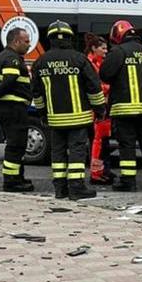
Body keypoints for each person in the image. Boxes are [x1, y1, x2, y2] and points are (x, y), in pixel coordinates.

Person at [31, 21, 105, 200]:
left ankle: (60, 188)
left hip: (55, 119)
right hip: (79, 118)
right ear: (70, 38)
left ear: (50, 39)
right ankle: (76, 188)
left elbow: (37, 93)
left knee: (58, 153)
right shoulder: (79, 59)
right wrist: (100, 110)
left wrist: (42, 114)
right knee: (77, 152)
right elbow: (94, 87)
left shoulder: (41, 62)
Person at [99, 20, 142, 192]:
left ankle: (128, 181)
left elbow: (105, 74)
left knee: (127, 145)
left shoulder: (119, 51)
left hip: (126, 108)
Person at [0, 27, 35, 192]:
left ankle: (17, 177)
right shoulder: (12, 58)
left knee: (17, 145)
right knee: (16, 145)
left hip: (9, 108)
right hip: (14, 108)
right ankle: (12, 181)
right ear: (16, 41)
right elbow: (9, 80)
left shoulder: (3, 57)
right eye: (26, 41)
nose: (29, 45)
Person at [85, 33, 113, 185]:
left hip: (103, 108)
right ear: (94, 48)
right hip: (96, 109)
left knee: (103, 142)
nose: (106, 51)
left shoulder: (98, 63)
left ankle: (104, 170)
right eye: (103, 48)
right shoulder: (89, 64)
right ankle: (96, 174)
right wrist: (110, 88)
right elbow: (95, 86)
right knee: (98, 142)